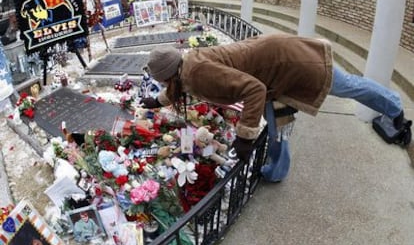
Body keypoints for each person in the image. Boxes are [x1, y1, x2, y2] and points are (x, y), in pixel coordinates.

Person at [140, 34, 411, 171]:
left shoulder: (197, 74)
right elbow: (177, 88)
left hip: (293, 64)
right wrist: (155, 101)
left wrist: (244, 137)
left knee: (348, 86)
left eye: (161, 83)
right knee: (277, 124)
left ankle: (394, 105)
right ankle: (277, 170)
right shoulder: (186, 66)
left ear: (168, 75)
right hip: (275, 72)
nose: (164, 86)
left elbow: (253, 89)